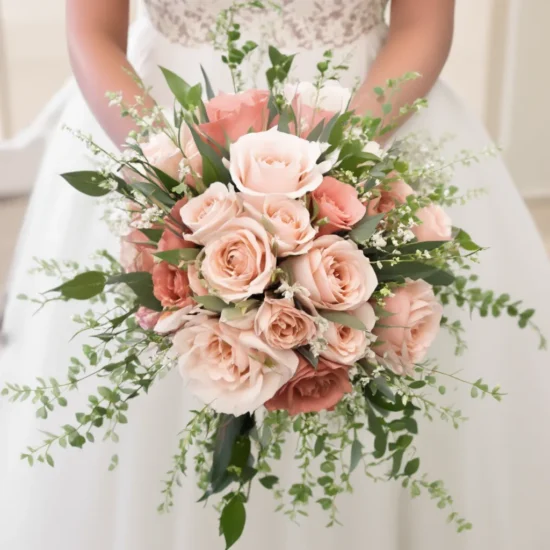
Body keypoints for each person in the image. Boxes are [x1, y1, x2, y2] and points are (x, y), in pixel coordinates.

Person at [1, 1, 549, 549]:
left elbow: (424, 22)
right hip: (159, 117)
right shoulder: (161, 151)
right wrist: (170, 176)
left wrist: (340, 172)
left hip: (369, 109)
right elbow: (92, 29)